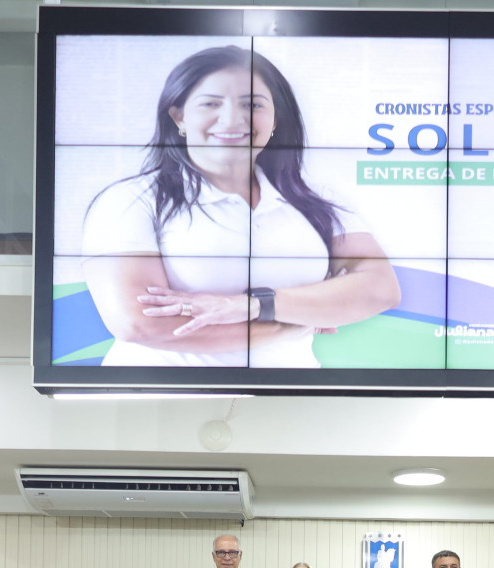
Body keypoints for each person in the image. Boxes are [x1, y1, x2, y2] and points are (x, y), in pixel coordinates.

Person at [80, 44, 400, 368]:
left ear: (276, 119)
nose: (232, 118)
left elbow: (380, 287)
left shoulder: (315, 198)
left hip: (296, 404)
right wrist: (299, 320)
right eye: (210, 103)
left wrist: (253, 305)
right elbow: (140, 323)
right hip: (159, 405)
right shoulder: (129, 201)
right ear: (179, 117)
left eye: (253, 104)